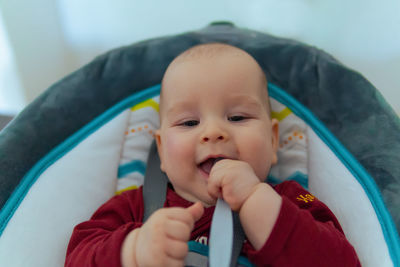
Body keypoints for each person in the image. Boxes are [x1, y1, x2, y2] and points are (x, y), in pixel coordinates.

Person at [65, 43, 360, 267]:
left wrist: (258, 202)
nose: (214, 132)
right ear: (162, 151)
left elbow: (342, 260)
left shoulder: (294, 201)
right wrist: (133, 250)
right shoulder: (131, 208)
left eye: (238, 117)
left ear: (272, 141)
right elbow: (77, 256)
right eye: (189, 123)